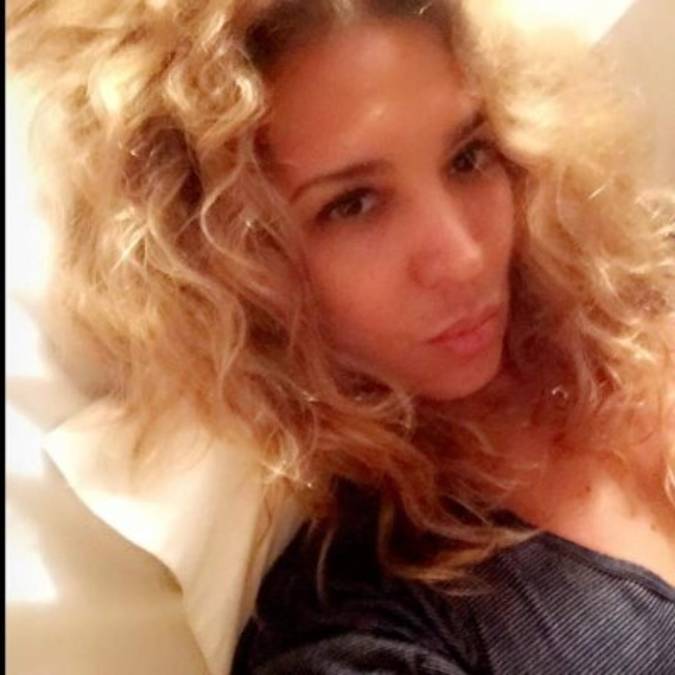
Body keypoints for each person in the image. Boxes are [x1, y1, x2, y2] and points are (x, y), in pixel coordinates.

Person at [7, 0, 675, 673]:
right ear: (237, 262)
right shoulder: (362, 617)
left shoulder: (630, 304)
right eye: (352, 205)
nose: (464, 257)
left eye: (467, 158)